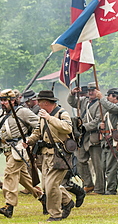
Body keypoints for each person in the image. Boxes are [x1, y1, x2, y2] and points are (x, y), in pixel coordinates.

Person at [0, 89, 43, 218]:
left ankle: (9, 206)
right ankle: (43, 198)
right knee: (26, 180)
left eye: (5, 100)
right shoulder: (1, 112)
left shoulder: (23, 112)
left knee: (9, 175)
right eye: (1, 100)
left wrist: (30, 140)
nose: (2, 102)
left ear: (13, 100)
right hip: (7, 150)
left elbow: (39, 125)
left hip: (18, 149)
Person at [25, 90, 74, 221]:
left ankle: (55, 214)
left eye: (40, 101)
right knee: (47, 185)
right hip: (46, 154)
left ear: (45, 102)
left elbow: (68, 128)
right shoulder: (42, 115)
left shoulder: (61, 113)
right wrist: (29, 140)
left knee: (52, 185)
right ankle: (67, 201)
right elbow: (38, 131)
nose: (38, 104)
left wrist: (49, 118)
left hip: (59, 154)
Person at [67, 82, 105, 195]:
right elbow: (72, 102)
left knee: (97, 164)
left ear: (98, 91)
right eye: (89, 90)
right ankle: (88, 184)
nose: (91, 92)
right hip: (83, 137)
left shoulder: (101, 104)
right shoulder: (84, 101)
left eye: (93, 90)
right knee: (80, 161)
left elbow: (98, 120)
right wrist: (72, 94)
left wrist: (83, 127)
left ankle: (99, 189)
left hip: (94, 136)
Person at [96, 88, 118, 195]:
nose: (107, 98)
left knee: (111, 168)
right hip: (106, 142)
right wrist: (99, 126)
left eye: (108, 96)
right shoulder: (107, 111)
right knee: (105, 167)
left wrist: (101, 98)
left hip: (115, 142)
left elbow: (112, 108)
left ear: (114, 97)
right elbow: (104, 123)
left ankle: (111, 190)